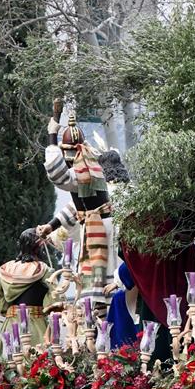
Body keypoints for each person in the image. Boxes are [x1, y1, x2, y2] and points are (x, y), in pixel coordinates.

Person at [37, 113, 117, 313]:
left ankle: (99, 317)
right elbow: (77, 208)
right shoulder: (91, 168)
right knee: (98, 288)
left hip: (99, 232)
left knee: (98, 291)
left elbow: (58, 175)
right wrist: (52, 225)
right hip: (99, 227)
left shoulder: (83, 171)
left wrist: (52, 137)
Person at [0, 227, 54, 346]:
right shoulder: (43, 270)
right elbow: (54, 300)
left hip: (11, 327)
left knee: (8, 361)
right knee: (39, 361)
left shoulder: (6, 270)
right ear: (40, 246)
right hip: (37, 327)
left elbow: (2, 306)